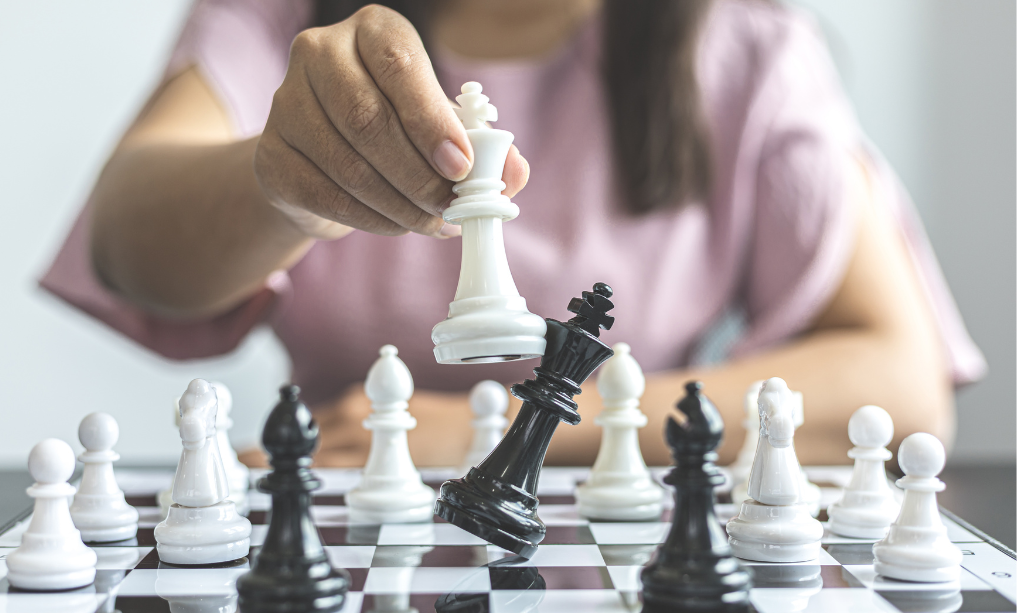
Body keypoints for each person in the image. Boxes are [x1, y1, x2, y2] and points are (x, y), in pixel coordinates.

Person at [42, 0, 985, 468]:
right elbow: (132, 243)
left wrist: (503, 434)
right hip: (346, 523)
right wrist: (283, 183)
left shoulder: (745, 46)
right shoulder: (285, 21)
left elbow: (898, 384)